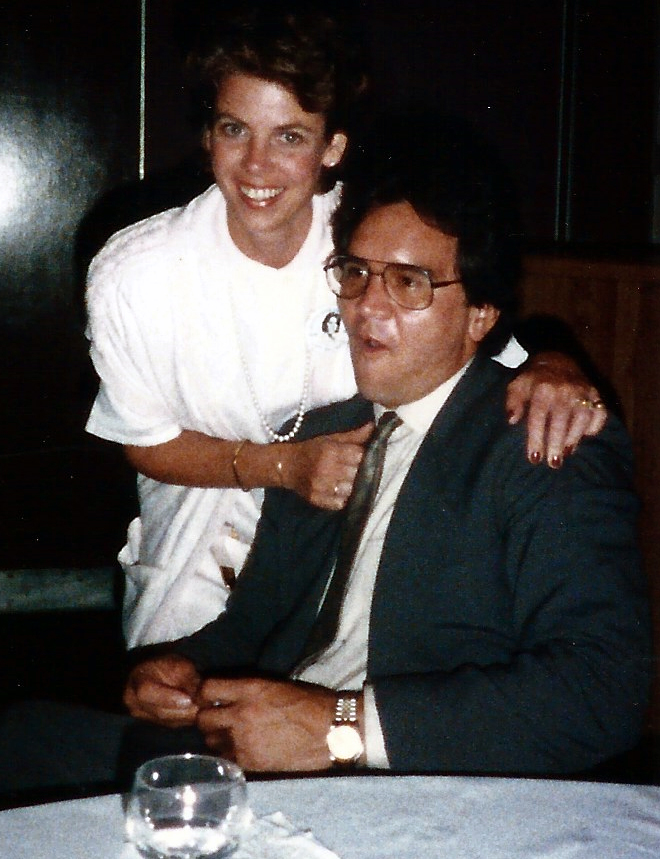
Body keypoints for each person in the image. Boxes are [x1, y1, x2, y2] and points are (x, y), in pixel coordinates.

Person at [122, 112, 650, 777]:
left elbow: (603, 689)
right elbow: (257, 622)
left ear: (481, 315)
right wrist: (181, 668)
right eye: (357, 273)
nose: (368, 308)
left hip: (414, 786)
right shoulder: (323, 433)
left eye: (408, 283)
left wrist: (340, 729)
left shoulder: (542, 441)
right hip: (264, 761)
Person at [85, 0, 606, 648]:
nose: (255, 165)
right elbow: (144, 440)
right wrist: (283, 467)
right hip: (195, 538)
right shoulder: (134, 274)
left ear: (331, 146)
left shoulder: (368, 238)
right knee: (171, 690)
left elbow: (482, 339)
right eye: (235, 129)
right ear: (209, 135)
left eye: (289, 137)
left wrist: (553, 363)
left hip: (350, 543)